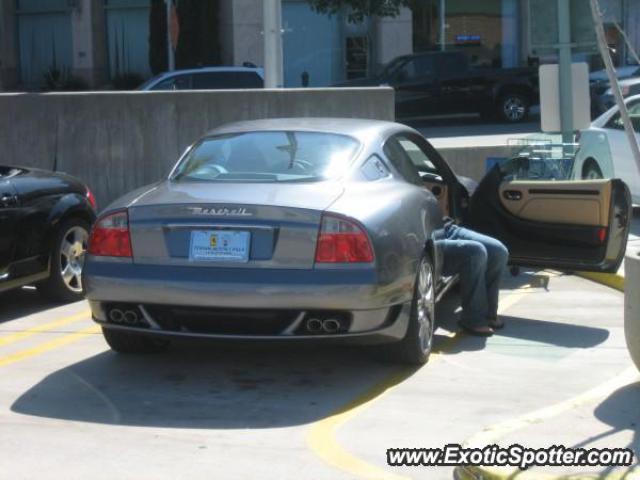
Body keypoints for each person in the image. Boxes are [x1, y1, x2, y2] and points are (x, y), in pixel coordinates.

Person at [438, 222, 509, 336]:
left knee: (499, 252)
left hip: (445, 227)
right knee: (475, 252)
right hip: (426, 237)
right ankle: (473, 319)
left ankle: (489, 315)